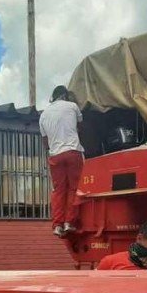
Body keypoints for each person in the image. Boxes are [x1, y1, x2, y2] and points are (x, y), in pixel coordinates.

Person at [39, 85, 84, 238]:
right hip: (72, 152)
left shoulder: (43, 115)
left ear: (53, 97)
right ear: (65, 96)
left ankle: (57, 225)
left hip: (55, 156)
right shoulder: (73, 106)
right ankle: (69, 222)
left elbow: (45, 142)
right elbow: (80, 127)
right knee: (74, 188)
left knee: (58, 190)